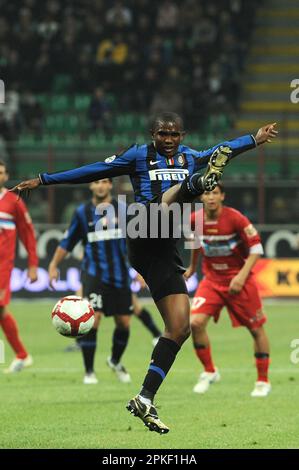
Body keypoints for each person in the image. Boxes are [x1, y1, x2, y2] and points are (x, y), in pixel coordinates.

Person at [12, 112, 277, 433]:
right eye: (163, 134)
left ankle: (145, 397)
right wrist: (43, 179)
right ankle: (200, 183)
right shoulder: (138, 155)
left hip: (164, 250)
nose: (168, 140)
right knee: (174, 195)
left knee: (180, 327)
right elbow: (94, 170)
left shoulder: (191, 156)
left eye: (174, 135)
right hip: (142, 227)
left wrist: (253, 140)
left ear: (182, 135)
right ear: (153, 134)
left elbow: (225, 147)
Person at [49, 178, 161, 383]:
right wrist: (53, 265)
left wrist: (140, 269)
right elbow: (67, 241)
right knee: (93, 320)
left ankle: (115, 361)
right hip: (94, 275)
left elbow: (139, 242)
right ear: (91, 186)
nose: (100, 186)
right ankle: (89, 372)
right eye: (96, 183)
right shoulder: (82, 213)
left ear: (110, 185)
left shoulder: (125, 210)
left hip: (120, 276)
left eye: (104, 182)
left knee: (124, 323)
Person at [184, 183, 271, 397]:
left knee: (256, 329)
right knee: (195, 323)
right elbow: (194, 244)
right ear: (201, 197)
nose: (211, 197)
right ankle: (210, 371)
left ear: (222, 196)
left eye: (215, 193)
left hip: (239, 281)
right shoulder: (194, 220)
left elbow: (257, 248)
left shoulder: (236, 218)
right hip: (212, 281)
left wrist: (241, 276)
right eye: (207, 193)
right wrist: (192, 268)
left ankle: (262, 381)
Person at [0, 160, 38, 373]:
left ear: (6, 176)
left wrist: (33, 265)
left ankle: (22, 355)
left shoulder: (13, 201)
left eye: (2, 172)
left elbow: (28, 233)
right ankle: (22, 355)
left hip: (2, 266)